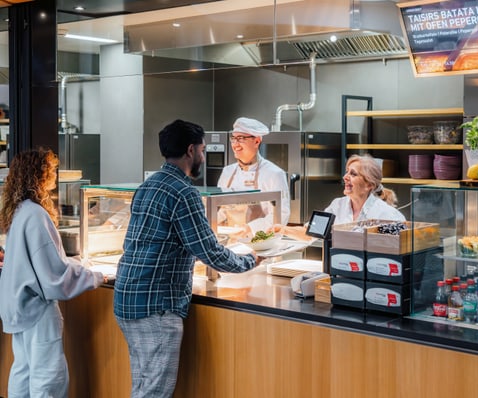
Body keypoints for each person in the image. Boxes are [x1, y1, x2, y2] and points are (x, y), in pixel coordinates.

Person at [113, 119, 260, 397]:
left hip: (128, 297)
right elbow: (209, 251)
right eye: (203, 151)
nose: (204, 157)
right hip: (155, 305)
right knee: (154, 392)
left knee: (143, 387)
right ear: (191, 150)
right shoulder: (184, 192)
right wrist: (250, 260)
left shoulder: (148, 184)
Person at [0, 148, 106, 397]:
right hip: (38, 310)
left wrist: (77, 263)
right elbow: (54, 276)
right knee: (47, 377)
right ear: (38, 175)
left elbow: (41, 262)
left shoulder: (20, 211)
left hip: (20, 308)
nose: (55, 176)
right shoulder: (36, 215)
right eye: (51, 170)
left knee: (23, 371)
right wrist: (95, 276)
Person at [278, 154, 405, 240]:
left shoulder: (388, 216)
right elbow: (313, 233)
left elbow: (395, 250)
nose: (345, 177)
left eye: (353, 174)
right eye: (347, 172)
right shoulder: (337, 206)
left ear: (369, 185)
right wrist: (282, 230)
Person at [217, 117, 290, 236]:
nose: (235, 144)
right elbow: (222, 208)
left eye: (240, 139)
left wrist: (250, 228)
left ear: (256, 141)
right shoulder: (227, 172)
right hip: (233, 245)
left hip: (262, 242)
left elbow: (281, 214)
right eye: (233, 139)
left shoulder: (274, 173)